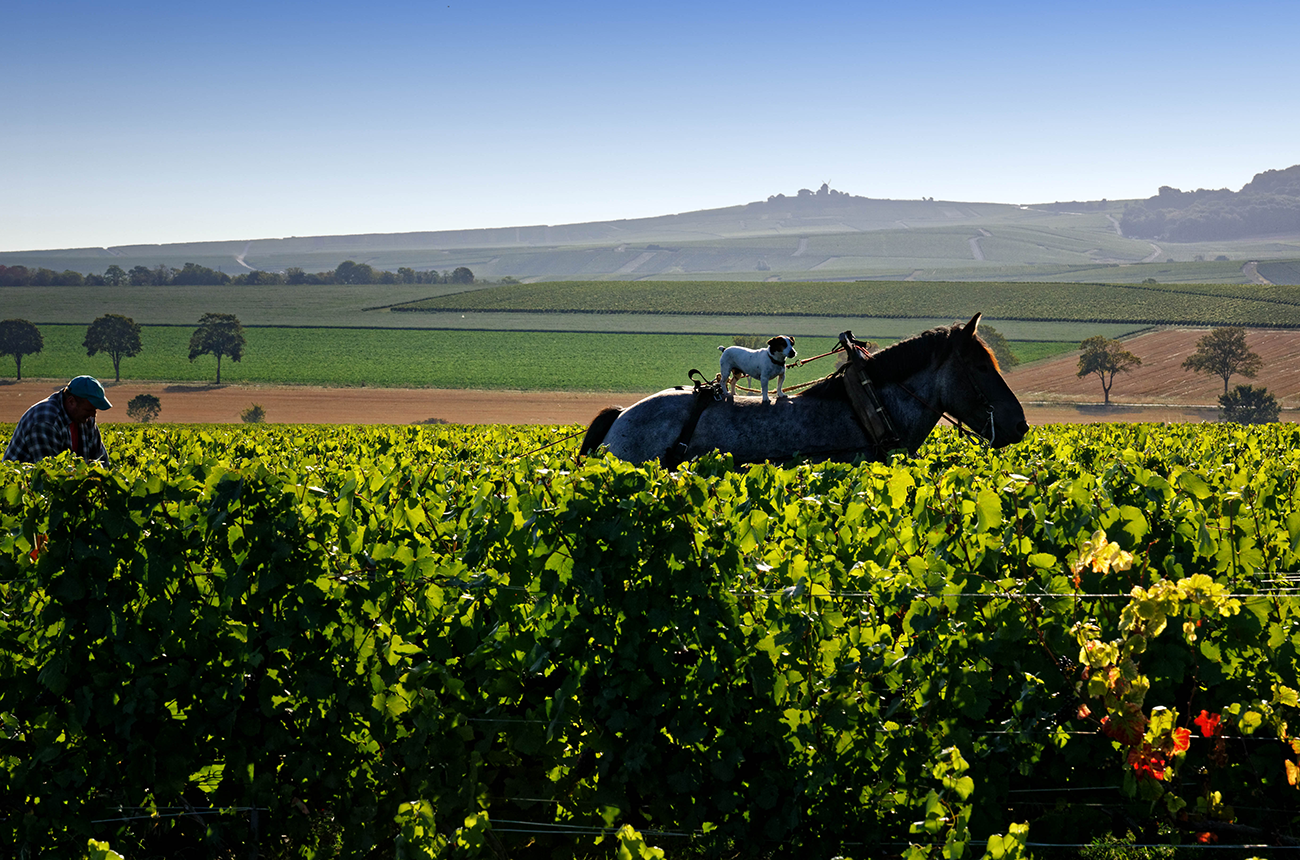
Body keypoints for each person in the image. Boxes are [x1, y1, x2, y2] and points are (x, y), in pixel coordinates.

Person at [3, 375, 113, 466]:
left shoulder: (86, 418)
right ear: (71, 402)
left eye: (95, 409)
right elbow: (50, 473)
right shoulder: (45, 422)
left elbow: (101, 459)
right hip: (26, 486)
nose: (93, 414)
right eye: (89, 409)